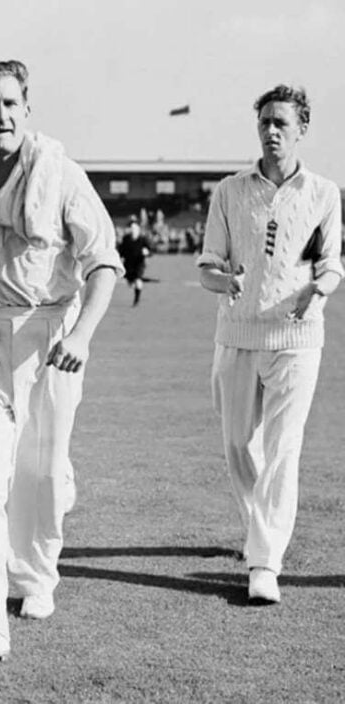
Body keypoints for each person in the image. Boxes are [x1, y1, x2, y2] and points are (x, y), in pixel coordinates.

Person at [0, 61, 121, 664]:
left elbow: (103, 263)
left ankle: (35, 577)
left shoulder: (60, 174)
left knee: (41, 476)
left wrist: (82, 335)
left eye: (10, 104)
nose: (0, 116)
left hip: (50, 339)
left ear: (27, 108)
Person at [197, 85, 342, 605]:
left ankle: (264, 562)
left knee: (283, 450)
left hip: (298, 338)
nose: (271, 130)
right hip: (237, 335)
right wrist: (224, 281)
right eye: (264, 122)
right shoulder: (229, 191)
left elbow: (331, 264)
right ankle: (260, 527)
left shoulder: (323, 192)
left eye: (281, 122)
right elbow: (209, 263)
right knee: (239, 445)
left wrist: (316, 289)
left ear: (303, 127)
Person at [117, 217, 151, 306]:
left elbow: (150, 251)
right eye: (131, 228)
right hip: (128, 264)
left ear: (138, 229)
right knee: (130, 283)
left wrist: (147, 252)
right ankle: (133, 284)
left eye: (134, 228)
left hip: (139, 263)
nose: (132, 230)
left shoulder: (143, 239)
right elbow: (121, 251)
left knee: (138, 280)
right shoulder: (126, 239)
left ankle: (136, 300)